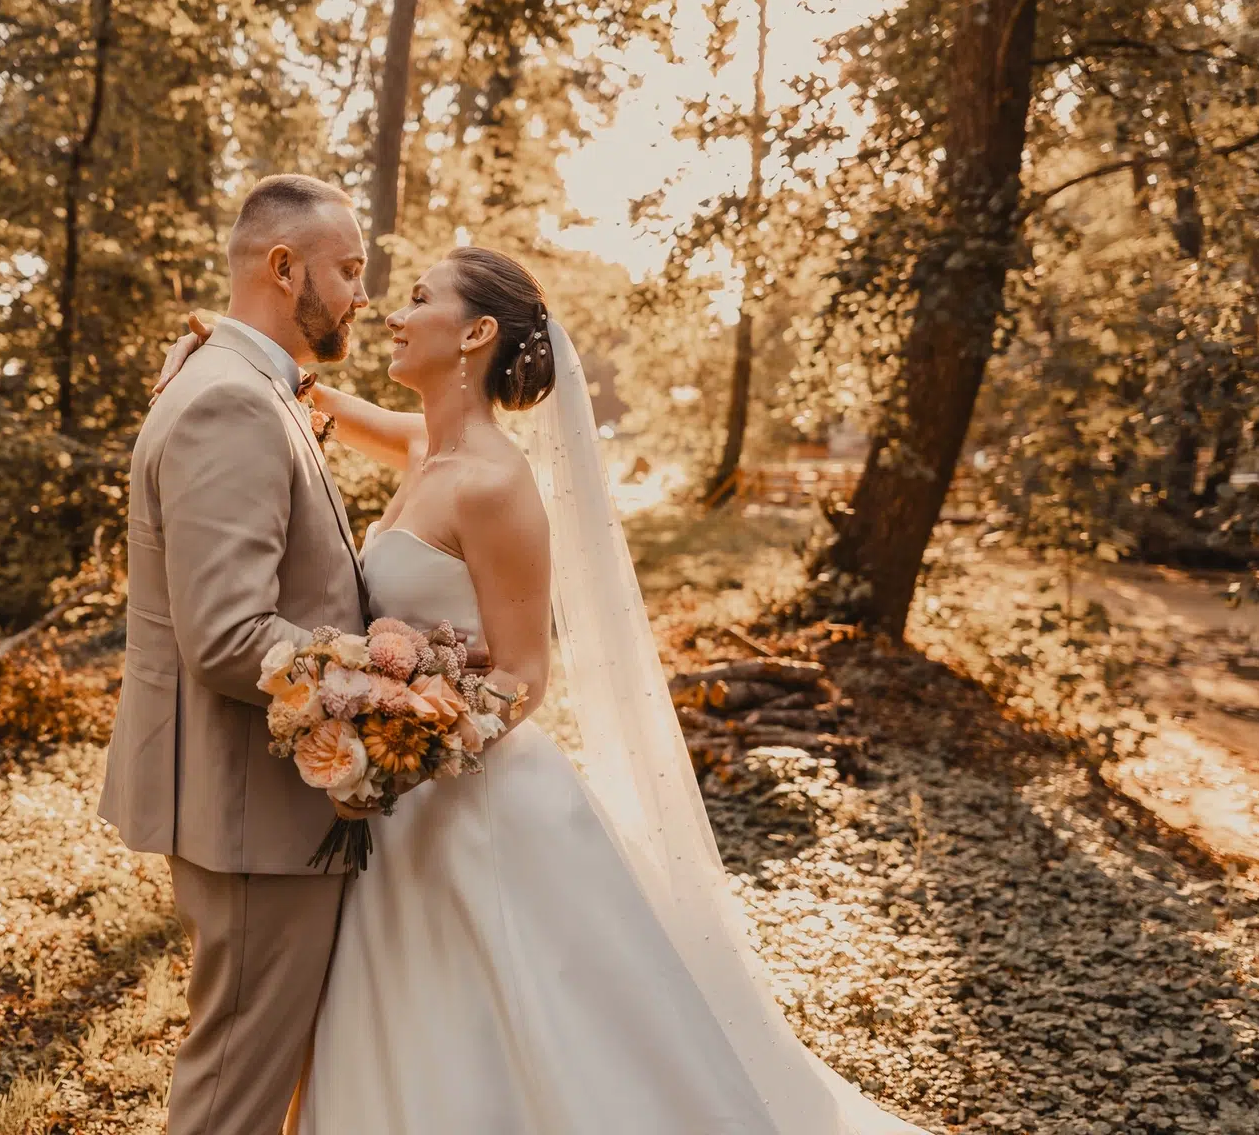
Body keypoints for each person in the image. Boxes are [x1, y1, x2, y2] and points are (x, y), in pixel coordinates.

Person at [151, 245, 930, 1134]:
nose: (392, 316)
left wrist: (413, 739)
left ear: (476, 332)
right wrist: (225, 342)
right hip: (391, 811)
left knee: (527, 1029)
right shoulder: (426, 450)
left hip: (467, 804)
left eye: (415, 299)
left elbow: (524, 677)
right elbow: (307, 396)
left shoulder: (494, 483)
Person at [97, 173, 373, 1135]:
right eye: (348, 269)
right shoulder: (232, 403)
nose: (360, 295)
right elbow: (228, 637)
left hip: (259, 805)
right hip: (252, 808)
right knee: (232, 1096)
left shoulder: (236, 381)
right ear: (282, 265)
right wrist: (389, 682)